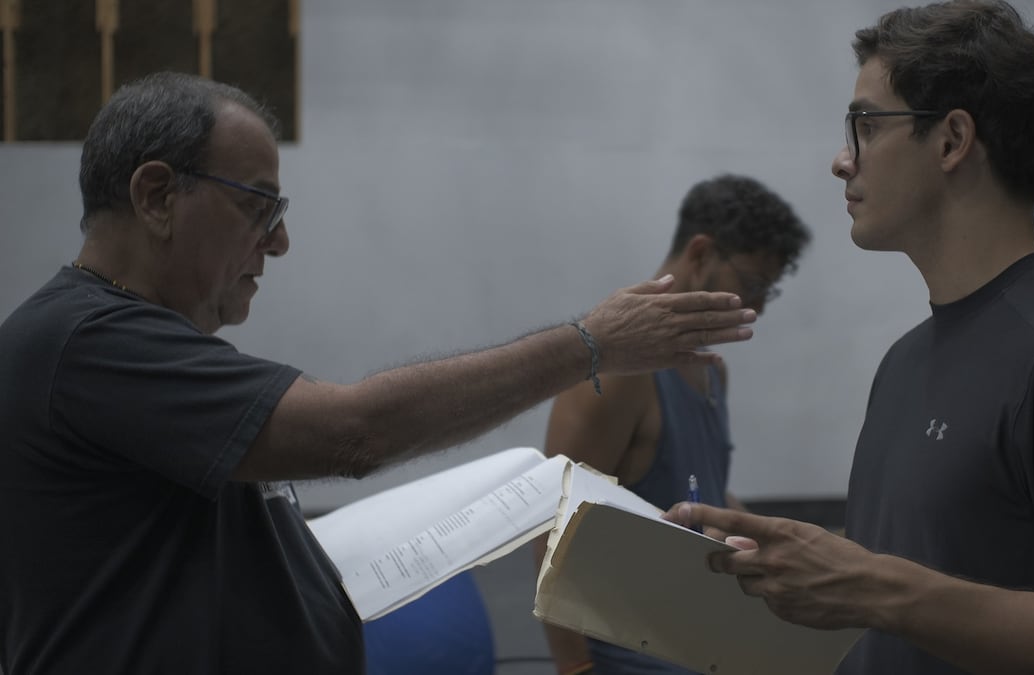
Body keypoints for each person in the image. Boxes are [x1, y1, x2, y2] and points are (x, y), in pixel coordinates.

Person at [0, 72, 759, 675]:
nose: (280, 241)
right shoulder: (87, 341)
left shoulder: (123, 341)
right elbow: (353, 431)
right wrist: (588, 343)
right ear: (156, 195)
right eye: (259, 206)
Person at [666, 2, 1034, 673]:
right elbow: (926, 584)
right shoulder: (904, 362)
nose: (842, 160)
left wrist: (877, 588)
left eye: (865, 125)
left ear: (951, 140)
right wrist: (790, 569)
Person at [534, 174, 811, 675]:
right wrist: (575, 668)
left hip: (699, 648)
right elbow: (549, 525)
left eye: (769, 290)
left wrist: (777, 538)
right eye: (752, 285)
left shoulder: (711, 372)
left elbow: (695, 492)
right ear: (701, 253)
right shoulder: (618, 374)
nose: (761, 305)